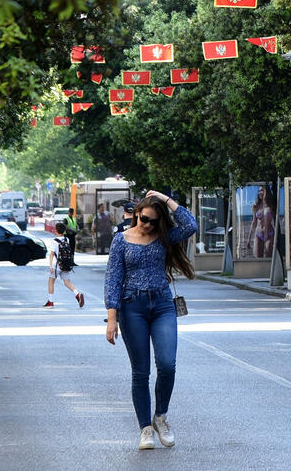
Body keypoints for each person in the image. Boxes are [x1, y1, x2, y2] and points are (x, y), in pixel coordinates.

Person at [104, 191, 197, 450]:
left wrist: (164, 199)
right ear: (136, 215)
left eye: (154, 221)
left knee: (167, 364)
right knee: (141, 372)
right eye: (145, 219)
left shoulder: (164, 236)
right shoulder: (120, 241)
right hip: (132, 307)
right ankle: (145, 428)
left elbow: (191, 225)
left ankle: (161, 417)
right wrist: (112, 318)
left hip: (162, 305)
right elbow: (112, 279)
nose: (148, 225)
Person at [44, 222, 84, 308]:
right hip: (65, 265)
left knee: (51, 281)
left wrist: (50, 266)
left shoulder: (54, 241)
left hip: (56, 265)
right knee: (67, 282)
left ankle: (50, 302)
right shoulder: (67, 240)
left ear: (56, 230)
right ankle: (77, 294)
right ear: (64, 231)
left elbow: (51, 254)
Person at [248, 187, 275, 258]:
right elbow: (254, 222)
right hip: (258, 234)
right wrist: (249, 239)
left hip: (269, 234)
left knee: (269, 257)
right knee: (257, 257)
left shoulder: (271, 205)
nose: (260, 192)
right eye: (259, 191)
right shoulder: (256, 206)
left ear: (267, 192)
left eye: (262, 190)